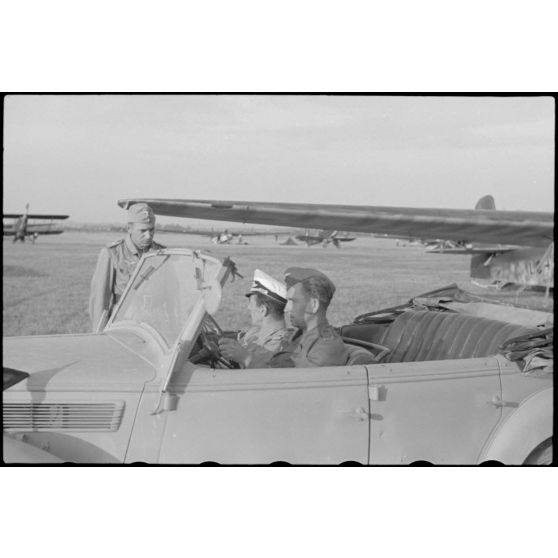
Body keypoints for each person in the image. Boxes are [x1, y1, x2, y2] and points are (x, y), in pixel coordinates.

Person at [88, 203, 165, 332]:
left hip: (155, 328)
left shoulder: (162, 254)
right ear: (129, 228)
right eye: (143, 230)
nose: (148, 235)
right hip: (124, 326)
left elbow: (173, 296)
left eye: (151, 230)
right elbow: (100, 301)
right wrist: (99, 335)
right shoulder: (113, 253)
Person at [265, 267, 348, 368]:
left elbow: (293, 380)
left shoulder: (324, 348)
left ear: (313, 305)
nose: (286, 309)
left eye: (293, 301)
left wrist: (246, 359)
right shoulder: (300, 335)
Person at [218, 269, 290, 368]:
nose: (249, 308)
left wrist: (244, 357)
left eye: (251, 304)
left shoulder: (277, 344)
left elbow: (264, 376)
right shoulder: (256, 330)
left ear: (263, 310)